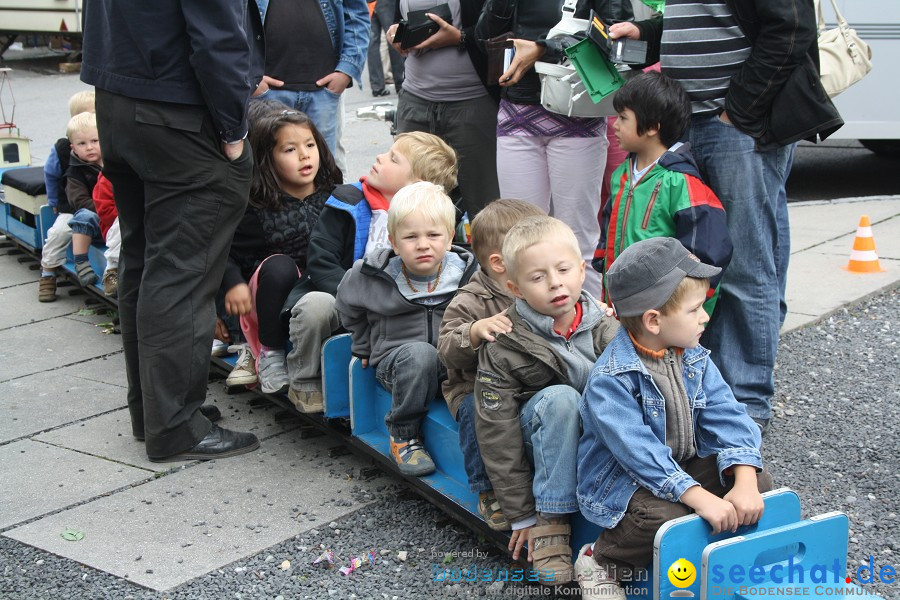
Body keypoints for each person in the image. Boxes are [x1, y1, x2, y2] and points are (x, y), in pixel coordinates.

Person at [609, 0, 842, 431]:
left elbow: (791, 29)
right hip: (696, 122)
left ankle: (745, 405)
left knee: (744, 266)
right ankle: (715, 391)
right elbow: (705, 21)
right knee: (710, 258)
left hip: (731, 124)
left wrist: (739, 109)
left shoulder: (734, 116)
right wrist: (647, 32)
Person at [81, 0, 265, 462]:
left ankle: (156, 412)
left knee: (145, 265)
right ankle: (175, 426)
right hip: (178, 111)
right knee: (180, 273)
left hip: (120, 99)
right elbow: (217, 36)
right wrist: (233, 130)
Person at [575, 237, 773, 598]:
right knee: (661, 516)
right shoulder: (610, 380)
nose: (706, 317)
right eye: (696, 309)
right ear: (654, 320)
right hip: (623, 482)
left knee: (757, 481)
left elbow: (727, 414)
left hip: (679, 466)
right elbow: (640, 455)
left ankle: (726, 554)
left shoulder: (693, 355)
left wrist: (743, 477)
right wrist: (700, 497)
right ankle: (601, 563)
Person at [474, 215, 618, 585]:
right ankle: (551, 521)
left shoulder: (604, 324)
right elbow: (496, 431)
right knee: (560, 399)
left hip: (595, 434)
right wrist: (520, 513)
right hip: (536, 434)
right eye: (538, 277)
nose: (555, 283)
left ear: (582, 270)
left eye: (564, 270)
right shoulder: (504, 342)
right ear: (515, 288)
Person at [280, 132, 457, 412]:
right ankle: (305, 380)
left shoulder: (433, 224)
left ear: (417, 184)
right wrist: (363, 298)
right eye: (386, 152)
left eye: (393, 159)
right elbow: (321, 260)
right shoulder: (348, 201)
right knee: (316, 307)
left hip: (395, 315)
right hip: (340, 297)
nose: (379, 157)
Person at [474, 0, 635, 296]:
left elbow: (615, 37)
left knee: (577, 238)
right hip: (518, 111)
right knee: (517, 235)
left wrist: (546, 48)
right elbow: (483, 37)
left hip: (577, 112)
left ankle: (586, 328)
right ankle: (525, 332)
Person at [335, 182, 477, 475]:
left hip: (453, 361)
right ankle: (404, 434)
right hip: (398, 361)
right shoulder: (371, 274)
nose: (423, 244)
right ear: (394, 242)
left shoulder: (467, 273)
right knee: (420, 354)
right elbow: (347, 306)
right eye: (410, 237)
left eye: (433, 235)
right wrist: (363, 343)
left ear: (450, 237)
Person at [437, 198, 543, 531]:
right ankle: (488, 488)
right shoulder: (471, 299)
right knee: (475, 410)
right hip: (475, 384)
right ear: (499, 263)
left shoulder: (539, 286)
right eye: (535, 250)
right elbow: (446, 349)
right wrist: (475, 331)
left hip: (529, 383)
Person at [592, 71, 732, 317]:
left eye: (623, 118)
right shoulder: (622, 175)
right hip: (622, 306)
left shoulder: (682, 184)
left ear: (652, 128)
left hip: (664, 315)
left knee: (660, 357)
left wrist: (687, 308)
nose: (614, 125)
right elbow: (608, 230)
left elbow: (708, 255)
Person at [221, 111, 341, 395]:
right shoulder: (255, 208)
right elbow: (224, 254)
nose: (304, 156)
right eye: (290, 149)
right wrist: (233, 284)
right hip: (269, 303)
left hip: (317, 298)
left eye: (310, 145)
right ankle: (269, 355)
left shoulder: (337, 197)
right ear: (268, 159)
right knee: (279, 267)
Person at [386, 0, 500, 217]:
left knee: (484, 208)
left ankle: (481, 252)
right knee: (410, 204)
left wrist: (460, 37)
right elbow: (398, 18)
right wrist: (395, 32)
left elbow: (500, 28)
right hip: (415, 100)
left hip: (472, 103)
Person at [255, 0, 370, 160]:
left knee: (325, 172)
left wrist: (346, 70)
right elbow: (233, 19)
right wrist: (250, 75)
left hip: (324, 92)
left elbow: (356, 15)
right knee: (267, 174)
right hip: (267, 94)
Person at [38, 106, 100, 301]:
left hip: (106, 212)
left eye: (94, 141)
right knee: (59, 232)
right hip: (77, 212)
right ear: (72, 147)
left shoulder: (112, 163)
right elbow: (79, 202)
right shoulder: (74, 171)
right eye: (82, 143)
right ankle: (48, 272)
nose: (89, 147)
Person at [368, 0, 405, 96]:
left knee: (373, 43)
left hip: (369, 3)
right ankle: (400, 84)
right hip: (385, 3)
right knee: (393, 37)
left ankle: (377, 86)